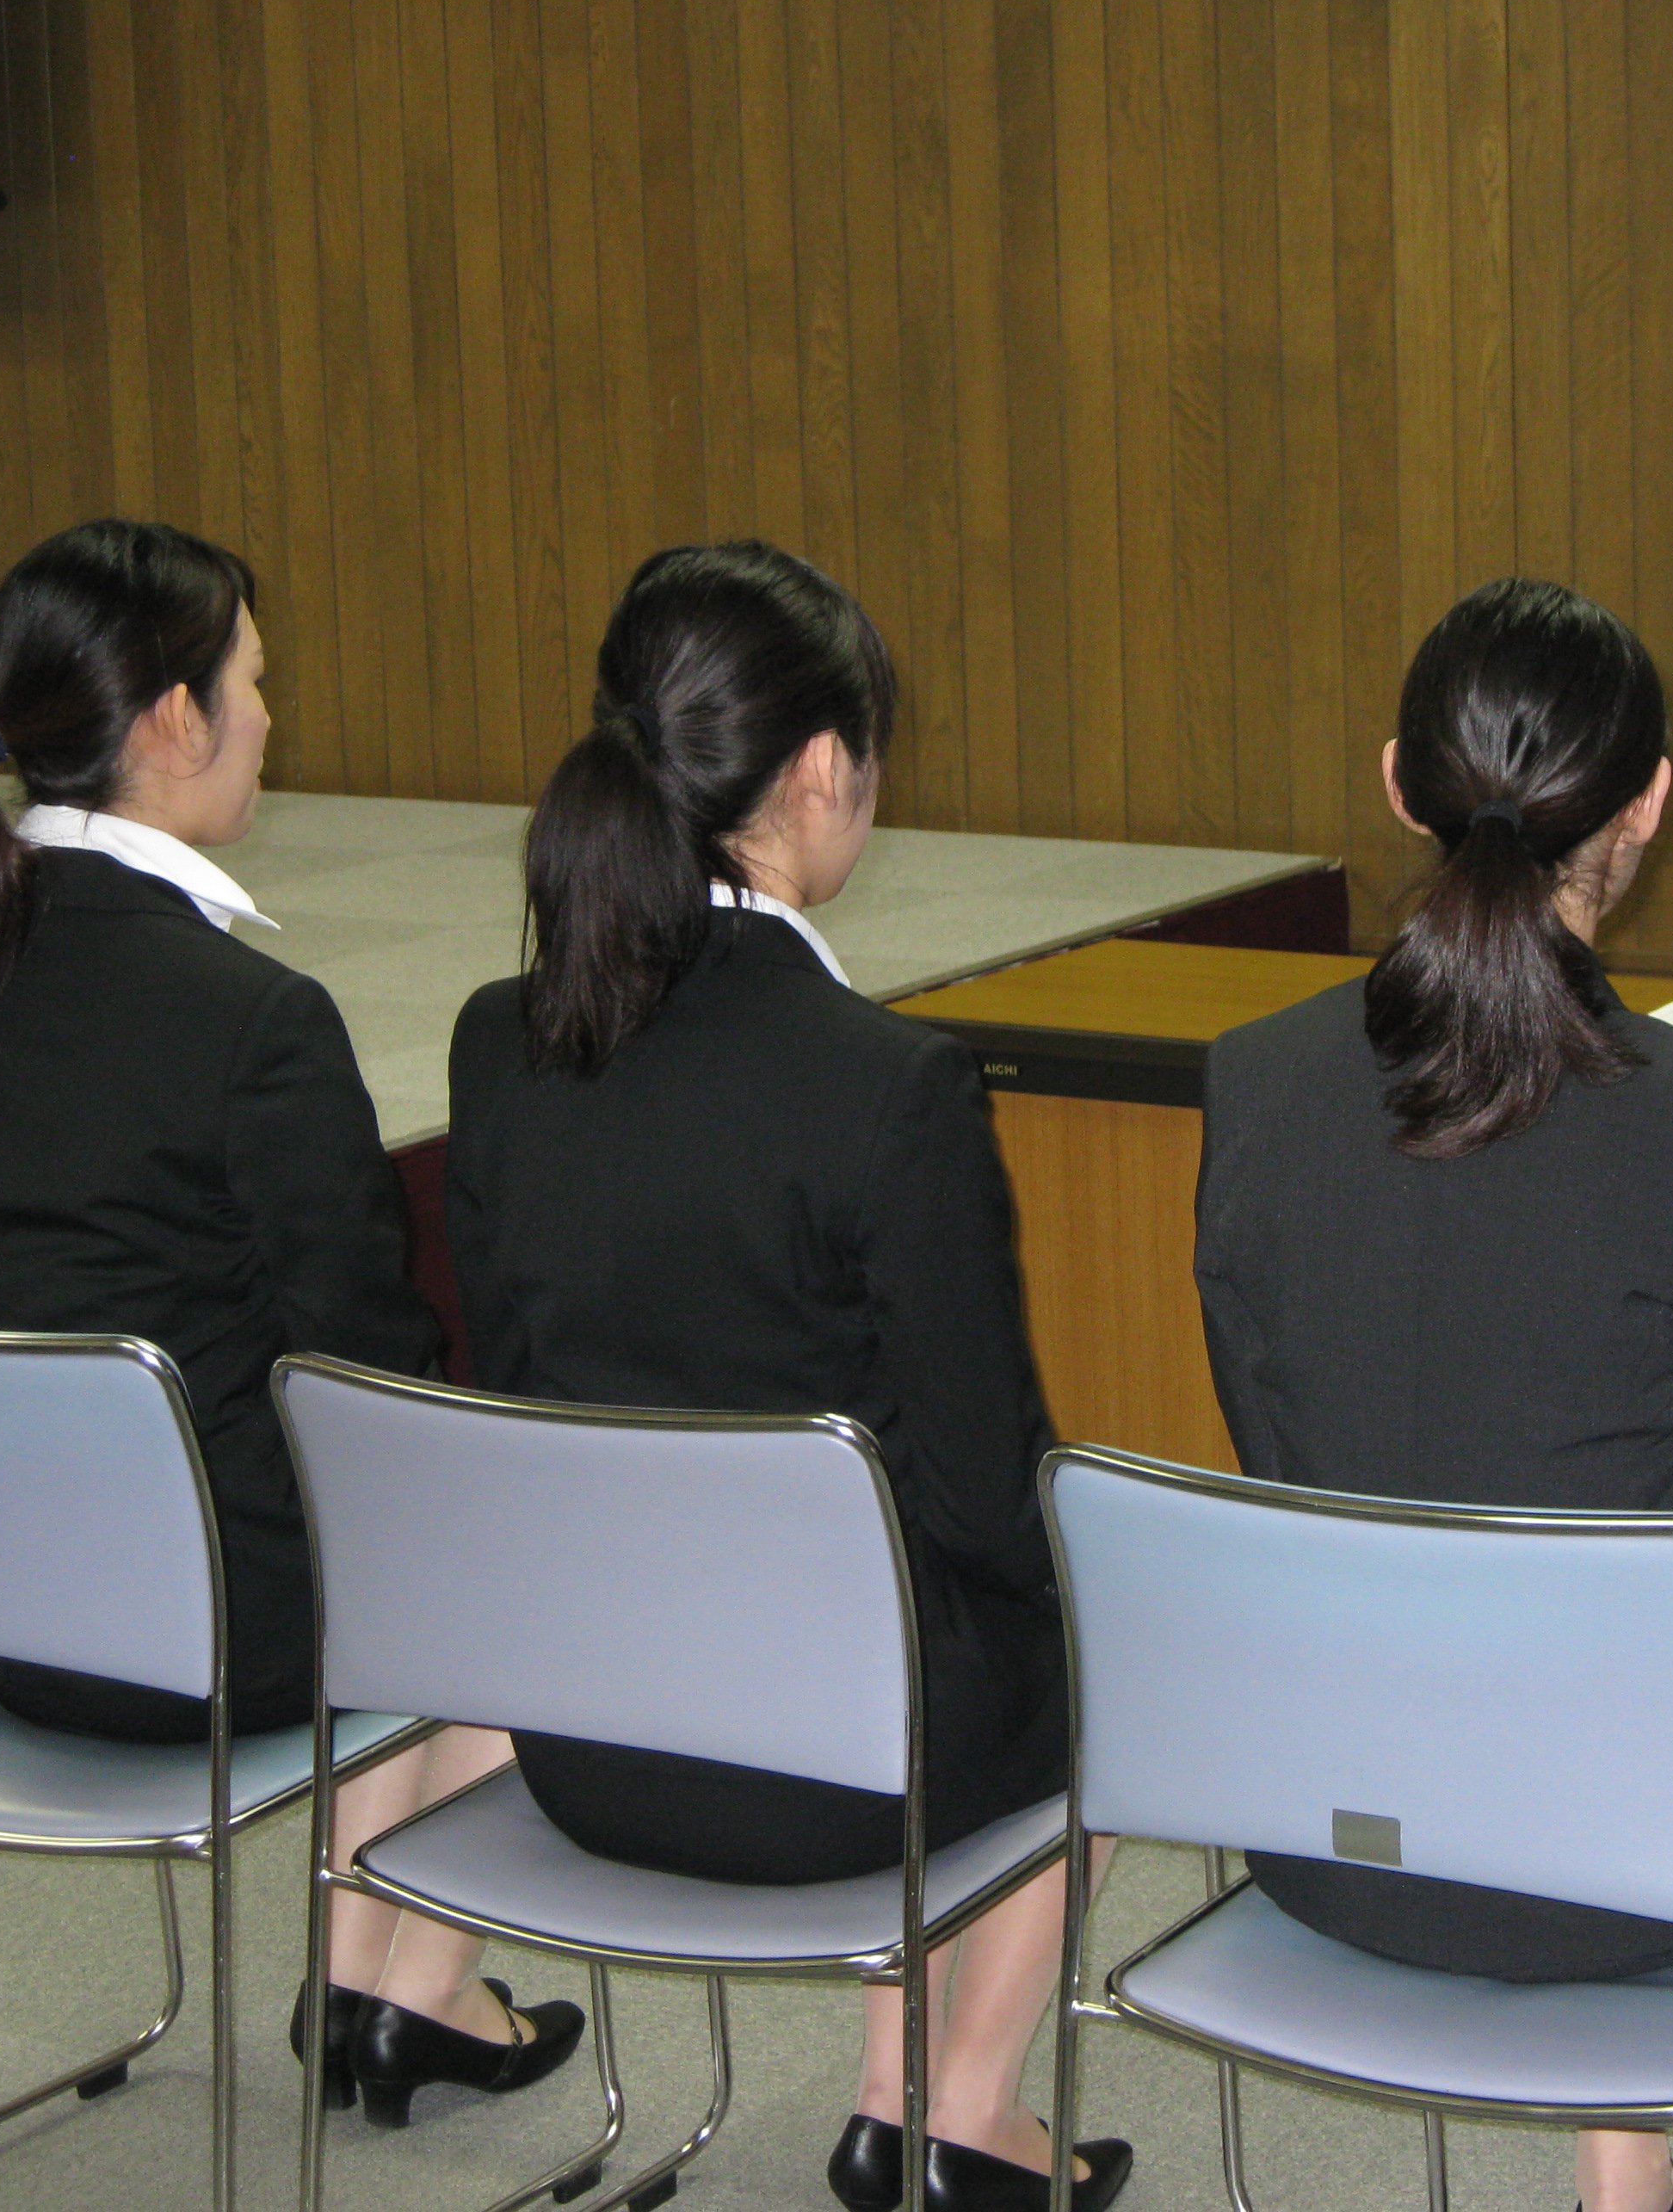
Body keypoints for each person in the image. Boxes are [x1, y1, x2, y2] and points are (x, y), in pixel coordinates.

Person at [0, 518, 582, 2128]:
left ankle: (384, 1991)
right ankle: (409, 1987)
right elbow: (374, 1373)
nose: (274, 715)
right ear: (171, 724)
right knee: (531, 1531)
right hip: (209, 1637)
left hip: (6, 1613)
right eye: (257, 681)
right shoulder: (251, 1022)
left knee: (388, 1526)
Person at [441, 541, 1126, 2212]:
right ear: (819, 771)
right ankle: (946, 2112)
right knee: (1096, 1650)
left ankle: (918, 2105)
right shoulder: (886, 1088)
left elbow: (517, 1396)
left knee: (924, 1602)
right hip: (836, 1779)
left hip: (589, 1738)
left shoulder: (497, 1039)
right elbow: (982, 1490)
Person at [1196, 578, 1673, 2212]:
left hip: (1343, 1841)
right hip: (1651, 1871)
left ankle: (1639, 2185)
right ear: (1645, 806)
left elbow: (1277, 1443)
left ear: (1395, 785)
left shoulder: (1258, 1085)